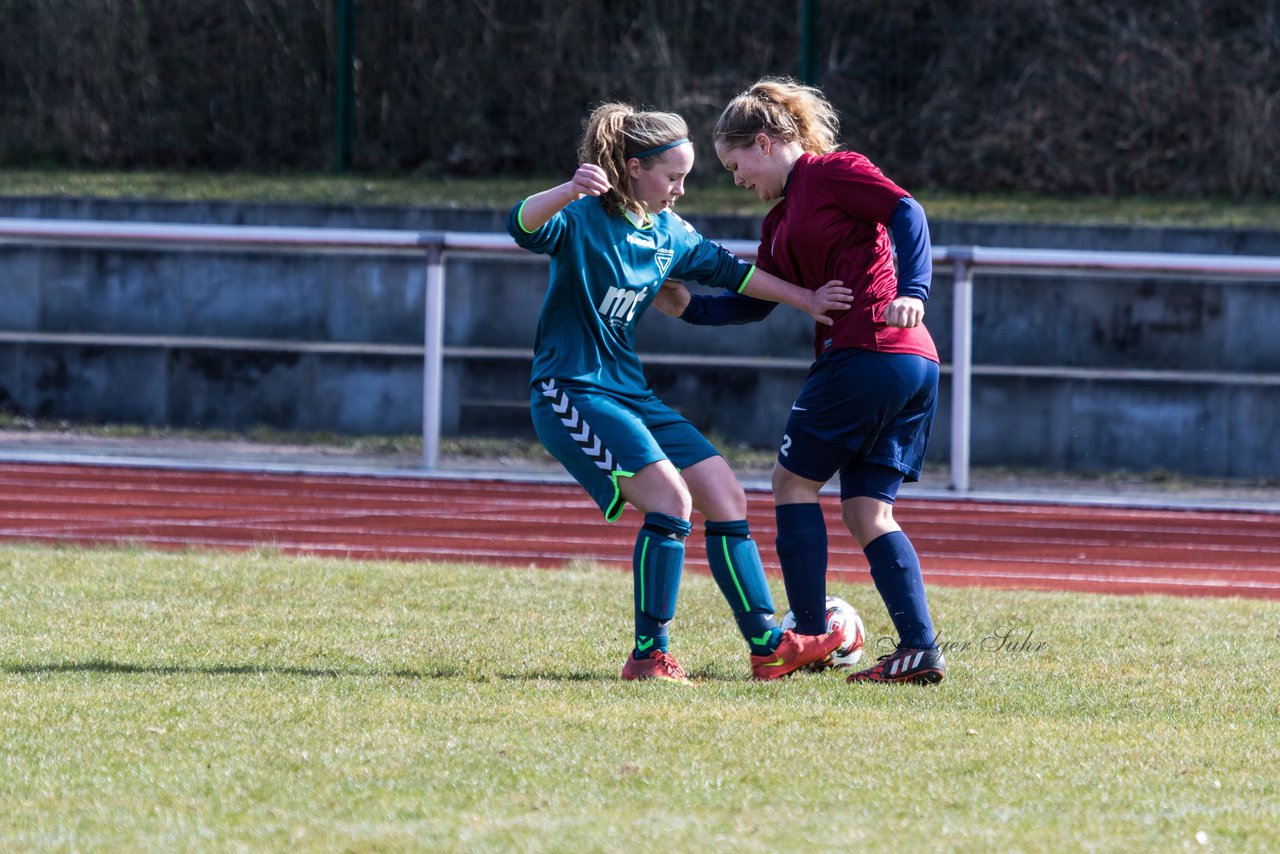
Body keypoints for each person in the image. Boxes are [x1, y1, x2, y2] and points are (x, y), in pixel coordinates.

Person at [505, 102, 851, 682]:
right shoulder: (584, 215)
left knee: (725, 494)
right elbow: (521, 225)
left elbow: (736, 273)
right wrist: (567, 189)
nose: (680, 190)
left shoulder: (669, 232)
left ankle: (767, 646)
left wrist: (808, 300)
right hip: (571, 390)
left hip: (629, 392)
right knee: (671, 501)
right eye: (673, 177)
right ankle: (649, 656)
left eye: (686, 177)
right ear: (635, 169)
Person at [656, 78, 946, 684]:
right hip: (908, 363)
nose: (737, 179)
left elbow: (906, 210)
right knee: (868, 512)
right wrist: (685, 307)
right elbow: (755, 301)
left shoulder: (830, 172)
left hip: (868, 351)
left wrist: (913, 292)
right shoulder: (779, 222)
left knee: (791, 482)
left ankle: (809, 634)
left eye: (736, 165)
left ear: (763, 143)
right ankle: (918, 650)